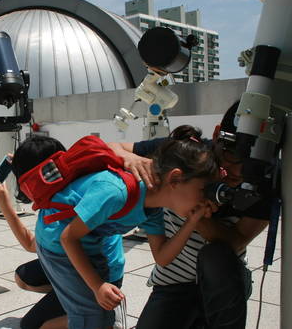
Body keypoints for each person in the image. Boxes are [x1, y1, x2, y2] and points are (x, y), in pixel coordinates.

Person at [10, 132, 218, 329]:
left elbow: (162, 258)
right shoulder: (116, 191)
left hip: (88, 243)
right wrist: (97, 286)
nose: (205, 198)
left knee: (99, 315)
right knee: (92, 314)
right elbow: (68, 238)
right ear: (174, 179)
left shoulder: (153, 209)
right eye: (202, 190)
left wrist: (192, 221)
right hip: (57, 244)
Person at [108, 102, 270, 329]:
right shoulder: (186, 153)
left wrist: (191, 210)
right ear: (216, 136)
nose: (239, 172)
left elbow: (235, 242)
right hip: (172, 282)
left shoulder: (265, 180)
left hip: (222, 281)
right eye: (233, 156)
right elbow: (111, 147)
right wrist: (132, 159)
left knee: (216, 256)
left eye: (252, 163)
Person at [0, 170, 126, 329]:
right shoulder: (67, 185)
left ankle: (106, 317)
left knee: (33, 325)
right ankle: (78, 301)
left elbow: (30, 243)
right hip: (77, 263)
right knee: (23, 276)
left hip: (102, 275)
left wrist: (5, 205)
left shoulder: (60, 204)